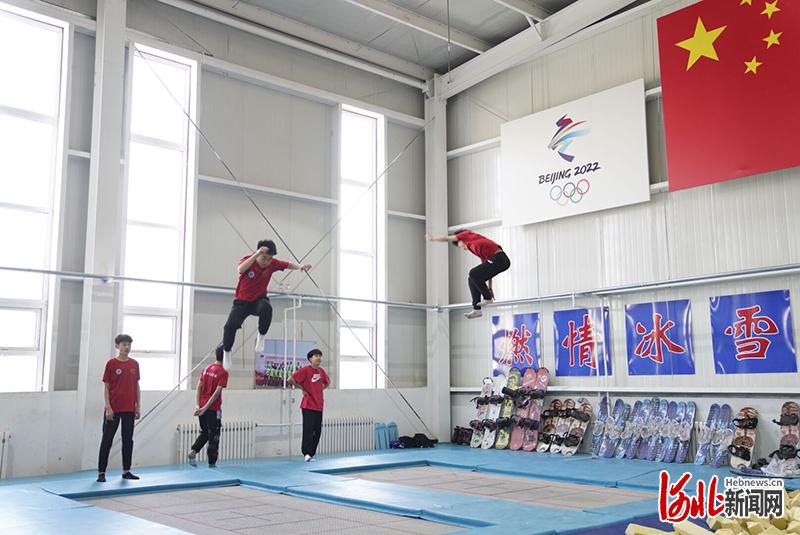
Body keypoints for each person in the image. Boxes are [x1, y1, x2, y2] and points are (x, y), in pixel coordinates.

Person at [222, 239, 311, 370]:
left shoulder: (272, 264)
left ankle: (261, 336)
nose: (266, 262)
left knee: (267, 308)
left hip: (258, 300)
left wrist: (300, 266)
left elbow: (287, 265)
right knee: (229, 327)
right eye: (264, 258)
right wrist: (256, 254)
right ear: (258, 254)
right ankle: (227, 352)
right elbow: (240, 269)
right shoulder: (249, 260)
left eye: (269, 259)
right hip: (242, 302)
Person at [425, 230, 510, 319]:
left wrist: (432, 239)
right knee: (471, 278)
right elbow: (488, 272)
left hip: (500, 258)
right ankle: (477, 310)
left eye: (460, 246)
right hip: (497, 261)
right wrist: (489, 288)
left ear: (460, 241)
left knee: (473, 273)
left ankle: (487, 298)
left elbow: (446, 238)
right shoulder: (476, 249)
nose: (463, 248)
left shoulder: (466, 235)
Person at [97, 334, 140, 483]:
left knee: (128, 440)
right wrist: (108, 407)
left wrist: (137, 406)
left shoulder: (134, 364)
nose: (126, 347)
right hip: (113, 409)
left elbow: (137, 386)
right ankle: (101, 472)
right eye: (123, 344)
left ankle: (126, 470)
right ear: (117, 346)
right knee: (107, 440)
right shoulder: (111, 364)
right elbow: (106, 387)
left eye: (128, 344)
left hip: (129, 408)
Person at [188, 344, 229, 468]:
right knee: (214, 435)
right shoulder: (223, 372)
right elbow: (217, 393)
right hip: (212, 408)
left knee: (205, 432)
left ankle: (193, 451)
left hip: (202, 406)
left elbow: (199, 387)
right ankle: (212, 463)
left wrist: (198, 406)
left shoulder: (206, 369)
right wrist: (205, 407)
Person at [288, 349, 330, 461]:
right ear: (310, 358)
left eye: (320, 356)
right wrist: (302, 388)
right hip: (308, 405)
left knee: (318, 431)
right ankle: (306, 453)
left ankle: (311, 454)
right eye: (316, 356)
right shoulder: (306, 370)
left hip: (319, 405)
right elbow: (290, 379)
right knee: (308, 429)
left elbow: (327, 382)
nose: (319, 358)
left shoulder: (321, 371)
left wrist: (321, 389)